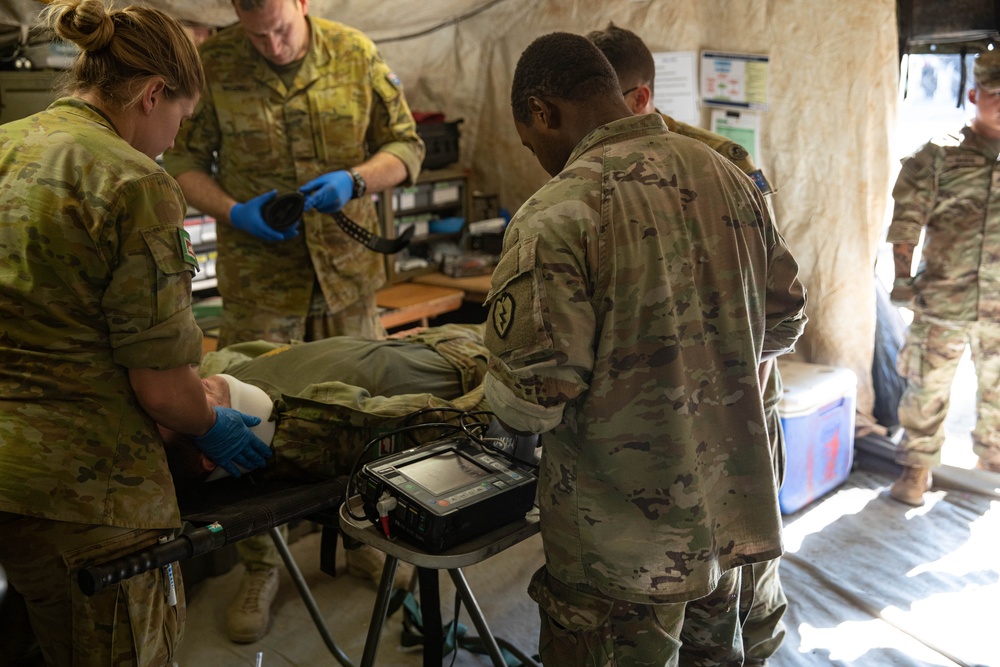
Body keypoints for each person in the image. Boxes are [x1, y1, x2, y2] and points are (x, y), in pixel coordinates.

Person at [484, 32, 807, 665]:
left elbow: (535, 399)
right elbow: (785, 323)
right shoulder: (726, 173)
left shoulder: (556, 212)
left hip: (623, 547)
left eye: (530, 141)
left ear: (543, 111)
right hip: (729, 514)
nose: (537, 158)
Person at [0, 1, 271, 665]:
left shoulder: (8, 144)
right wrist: (210, 422)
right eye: (179, 117)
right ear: (153, 94)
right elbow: (162, 391)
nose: (175, 141)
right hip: (93, 498)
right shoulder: (132, 180)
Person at [161, 0, 425, 641]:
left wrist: (356, 181)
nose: (272, 44)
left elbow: (407, 147)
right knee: (253, 419)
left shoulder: (355, 52)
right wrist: (233, 210)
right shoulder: (212, 63)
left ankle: (366, 534)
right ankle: (262, 563)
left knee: (363, 413)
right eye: (257, 32)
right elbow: (182, 161)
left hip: (347, 281)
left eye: (280, 27)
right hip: (261, 283)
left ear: (303, 3)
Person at [587, 23, 792, 665]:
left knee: (742, 567)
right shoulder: (586, 167)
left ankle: (755, 652)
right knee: (662, 580)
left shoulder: (723, 164)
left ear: (640, 99)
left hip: (734, 401)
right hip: (651, 416)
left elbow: (776, 306)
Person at [162, 324, 492, 491]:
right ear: (209, 454)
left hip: (416, 339)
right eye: (188, 408)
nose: (189, 388)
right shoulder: (306, 429)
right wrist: (517, 387)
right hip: (472, 361)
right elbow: (449, 421)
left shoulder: (222, 373)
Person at [887, 49, 1000, 507]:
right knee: (927, 387)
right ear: (973, 94)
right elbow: (906, 224)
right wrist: (903, 280)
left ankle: (991, 466)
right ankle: (917, 469)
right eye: (994, 93)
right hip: (942, 299)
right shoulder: (938, 154)